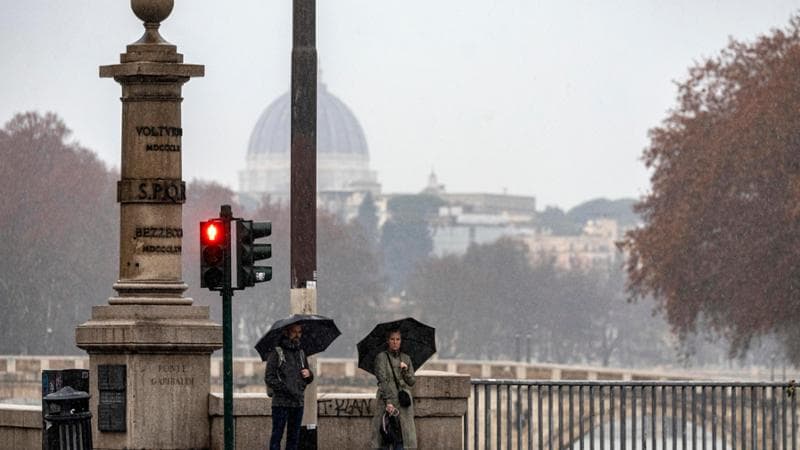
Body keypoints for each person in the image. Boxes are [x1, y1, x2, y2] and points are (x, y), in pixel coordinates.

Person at [265, 323, 314, 450]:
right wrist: (286, 389)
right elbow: (269, 378)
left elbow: (307, 376)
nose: (297, 335)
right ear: (286, 333)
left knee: (294, 438)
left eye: (300, 332)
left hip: (297, 402)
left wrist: (309, 375)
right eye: (294, 332)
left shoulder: (301, 353)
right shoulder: (277, 352)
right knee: (277, 436)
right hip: (281, 403)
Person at [371, 329, 417, 449]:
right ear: (388, 341)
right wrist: (388, 402)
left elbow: (412, 381)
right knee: (386, 434)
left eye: (398, 339)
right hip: (386, 402)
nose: (395, 342)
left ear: (401, 341)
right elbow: (382, 380)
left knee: (403, 436)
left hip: (403, 403)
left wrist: (405, 371)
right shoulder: (381, 358)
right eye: (392, 339)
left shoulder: (406, 358)